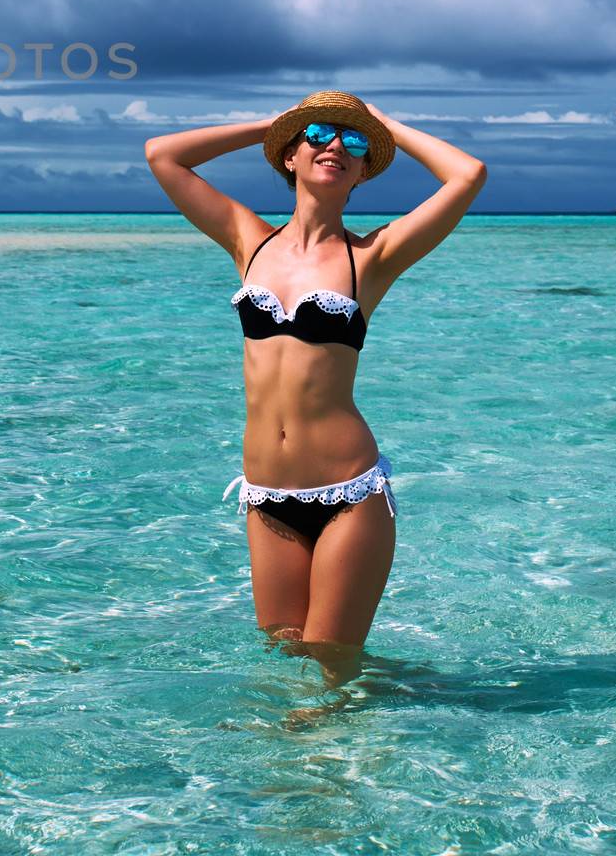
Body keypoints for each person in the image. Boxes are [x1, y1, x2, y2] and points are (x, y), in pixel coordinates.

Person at [144, 90, 486, 673]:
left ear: (361, 173)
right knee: (283, 660)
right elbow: (163, 155)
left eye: (353, 144)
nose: (336, 146)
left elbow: (467, 174)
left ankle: (347, 761)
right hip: (267, 496)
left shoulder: (372, 256)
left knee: (331, 666)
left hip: (347, 494)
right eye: (320, 136)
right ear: (288, 157)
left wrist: (380, 125)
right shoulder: (248, 240)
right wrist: (275, 125)